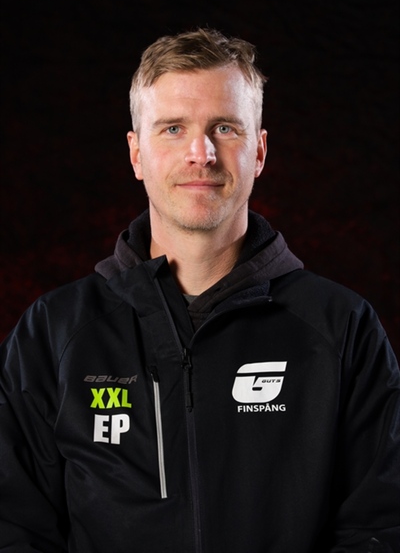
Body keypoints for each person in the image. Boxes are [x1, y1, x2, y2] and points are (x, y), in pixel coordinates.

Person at [0, 28, 399, 553]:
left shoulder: (341, 328)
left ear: (259, 151)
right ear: (136, 154)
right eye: (172, 128)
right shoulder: (55, 332)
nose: (201, 153)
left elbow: (382, 526)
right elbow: (13, 527)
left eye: (224, 128)